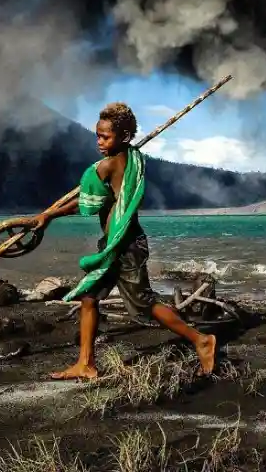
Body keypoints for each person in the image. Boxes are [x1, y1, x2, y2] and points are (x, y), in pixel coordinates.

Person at [33, 102, 216, 380]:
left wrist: (49, 215)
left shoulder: (106, 166)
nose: (99, 141)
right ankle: (86, 363)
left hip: (126, 247)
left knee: (143, 303)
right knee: (89, 296)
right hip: (116, 245)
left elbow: (86, 204)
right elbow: (91, 198)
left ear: (125, 137)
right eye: (97, 135)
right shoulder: (133, 157)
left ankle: (201, 340)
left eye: (105, 136)